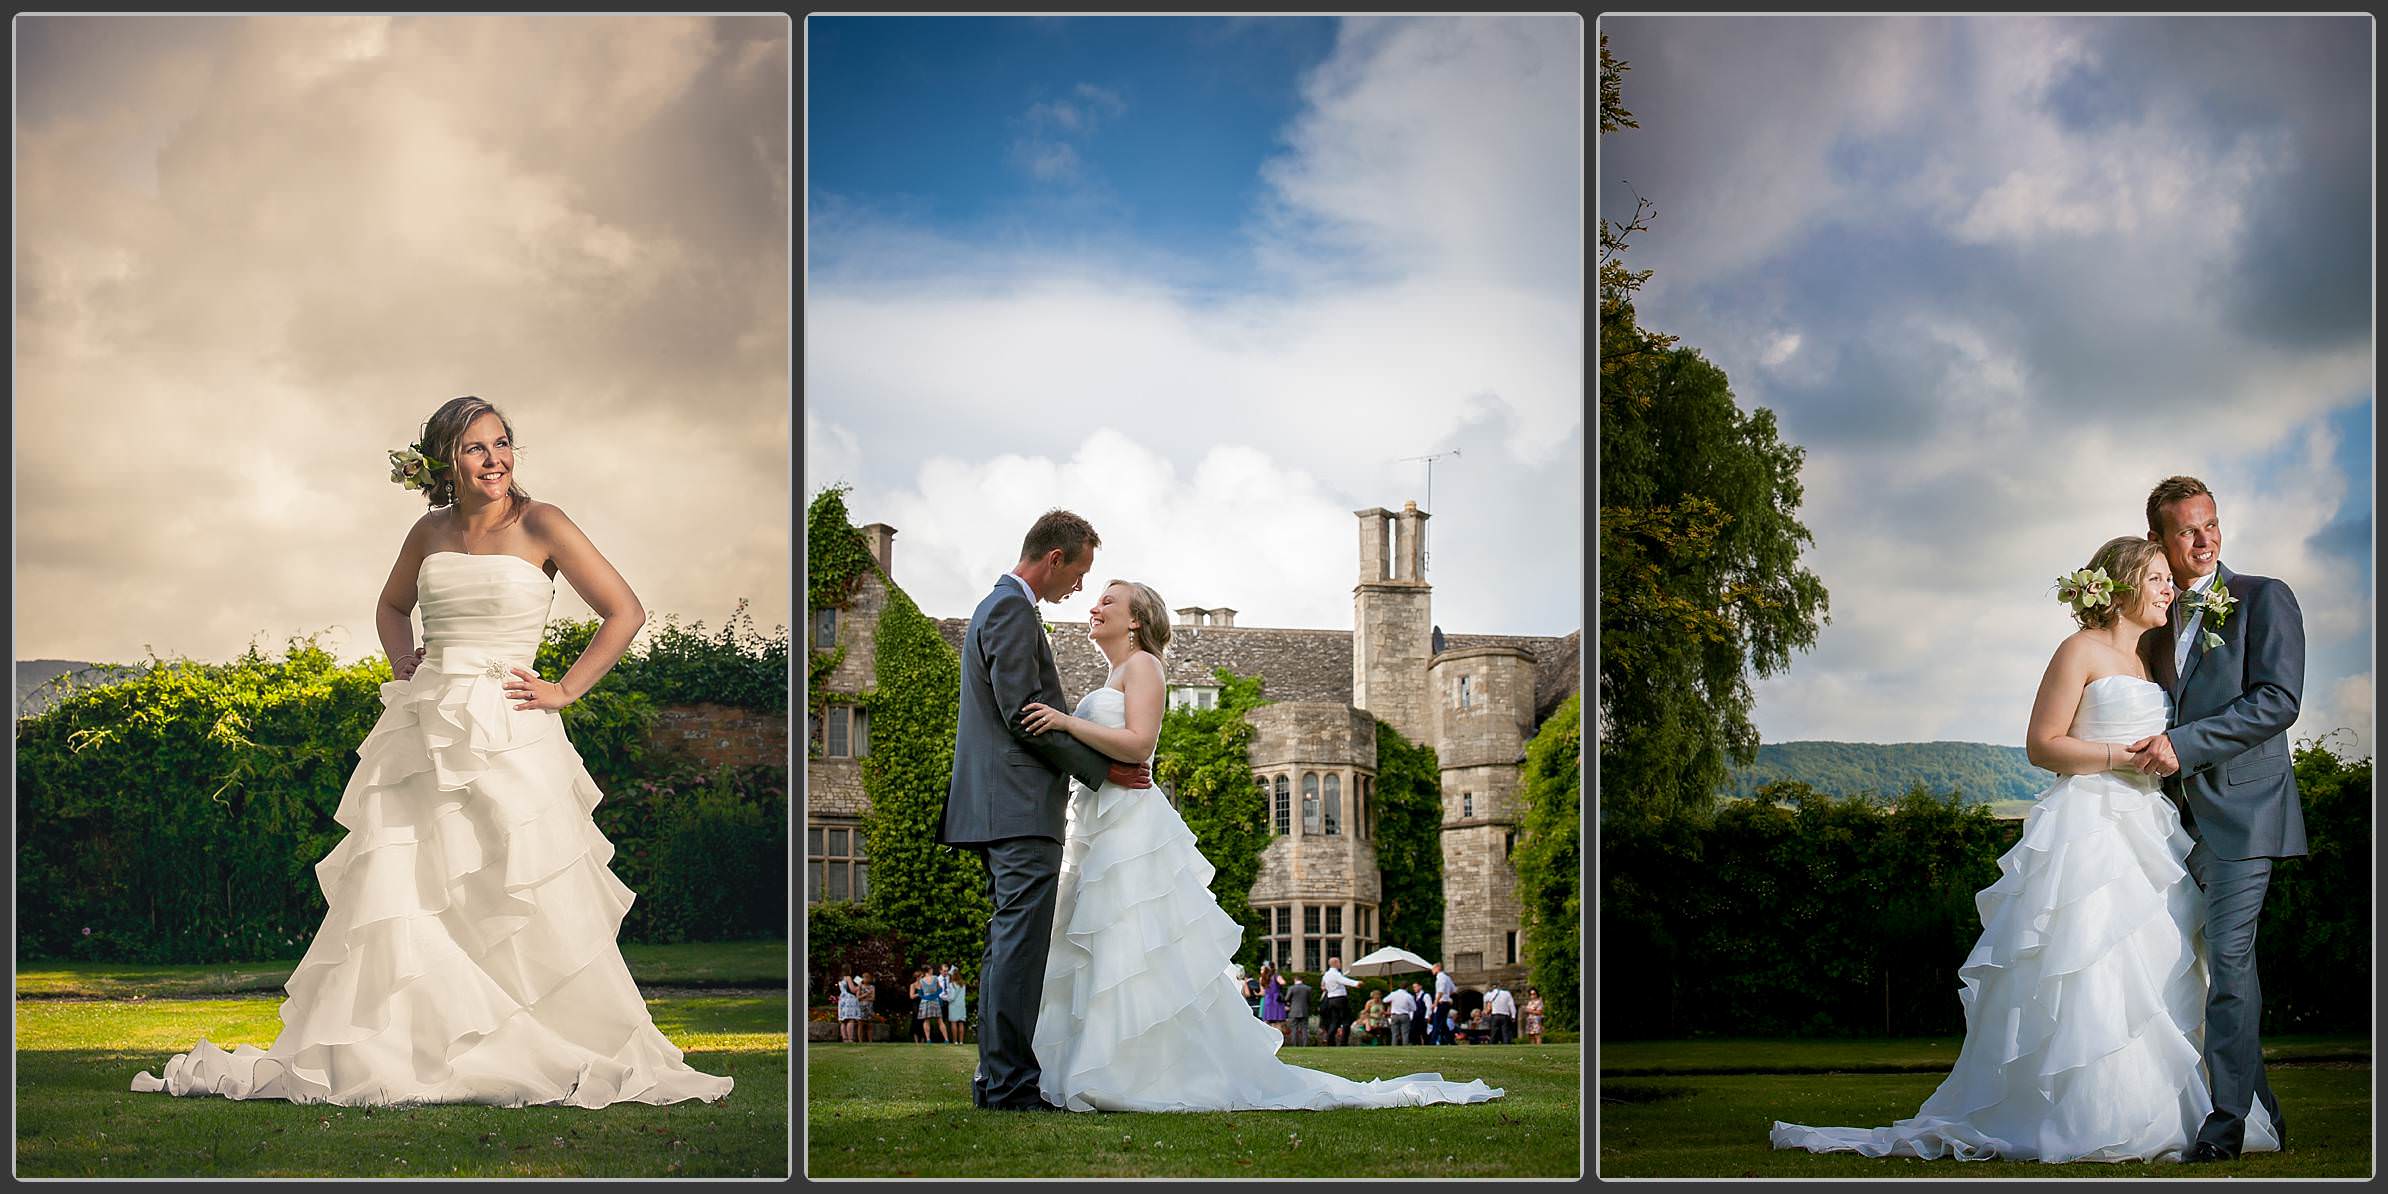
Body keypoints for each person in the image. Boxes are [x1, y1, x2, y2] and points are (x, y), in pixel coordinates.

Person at [131, 396, 733, 1108]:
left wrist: (566, 688)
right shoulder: (427, 533)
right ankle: (409, 1044)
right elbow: (391, 606)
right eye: (478, 448)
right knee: (410, 890)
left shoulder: (543, 523)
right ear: (446, 460)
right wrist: (400, 661)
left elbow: (624, 610)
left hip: (511, 731)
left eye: (504, 444)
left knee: (514, 889)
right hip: (425, 733)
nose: (496, 459)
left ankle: (540, 1031)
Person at [1772, 534, 2282, 1163]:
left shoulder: (2154, 662)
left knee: (2154, 967)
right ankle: (2081, 1111)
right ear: (2121, 587)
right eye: (2155, 579)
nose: (2168, 589)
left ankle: (2157, 1107)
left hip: (2151, 827)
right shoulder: (2079, 651)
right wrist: (2124, 758)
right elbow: (2043, 745)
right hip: (2091, 825)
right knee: (2089, 960)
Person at [1019, 579, 1503, 1112]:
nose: (1095, 607)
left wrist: (1064, 722)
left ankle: (1134, 1072)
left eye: (1108, 601)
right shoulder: (1114, 673)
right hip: (1099, 822)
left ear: (1136, 620)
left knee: (1132, 941)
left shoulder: (1145, 667)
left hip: (1129, 829)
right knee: (1102, 942)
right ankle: (1098, 1064)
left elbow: (1140, 745)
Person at [936, 510, 1153, 1112]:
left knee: (1010, 943)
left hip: (1005, 807)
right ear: (1054, 559)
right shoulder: (1008, 608)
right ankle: (1007, 1085)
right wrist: (1103, 769)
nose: (1080, 590)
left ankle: (995, 1080)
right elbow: (1022, 713)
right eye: (1080, 573)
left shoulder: (1001, 607)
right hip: (1017, 808)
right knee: (1018, 945)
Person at [2126, 476, 2305, 1163]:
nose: (2204, 541)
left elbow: (2278, 700)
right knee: (2193, 970)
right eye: (2186, 531)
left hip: (2245, 812)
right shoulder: (2156, 617)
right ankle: (2263, 1116)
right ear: (2158, 541)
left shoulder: (2264, 597)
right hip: (2169, 823)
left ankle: (2226, 1126)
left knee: (2229, 962)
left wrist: (2183, 746)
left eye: (2211, 526)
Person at [1320, 956, 1360, 1046]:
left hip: (1331, 999)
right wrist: (1356, 983)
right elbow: (1343, 980)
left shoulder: (1326, 975)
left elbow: (1323, 986)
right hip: (1340, 998)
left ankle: (1330, 1041)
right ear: (1336, 963)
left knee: (1335, 1020)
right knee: (1346, 1020)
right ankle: (1344, 1042)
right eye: (1339, 962)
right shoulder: (1336, 974)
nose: (1340, 964)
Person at [1258, 961, 1287, 1040]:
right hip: (1276, 1000)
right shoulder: (1275, 976)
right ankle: (1278, 1039)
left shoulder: (1262, 978)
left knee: (1267, 1021)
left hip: (1267, 1000)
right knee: (1277, 1022)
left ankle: (1268, 1039)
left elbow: (1263, 991)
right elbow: (1283, 982)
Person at [1285, 974, 1314, 1047]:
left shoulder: (1291, 988)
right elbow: (1310, 1001)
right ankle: (1305, 1045)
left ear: (1295, 980)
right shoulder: (1308, 988)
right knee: (1304, 1029)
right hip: (1304, 1010)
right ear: (1302, 980)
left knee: (1294, 1029)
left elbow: (1286, 999)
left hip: (1294, 1011)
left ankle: (1294, 1045)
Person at [943, 966, 969, 1044]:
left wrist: (944, 998)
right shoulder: (963, 984)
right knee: (961, 1022)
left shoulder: (952, 984)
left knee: (954, 1022)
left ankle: (955, 1041)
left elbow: (951, 998)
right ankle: (961, 1041)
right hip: (961, 1005)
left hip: (954, 1005)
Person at [838, 975, 867, 1044]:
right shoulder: (848, 977)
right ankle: (850, 1039)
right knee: (850, 1019)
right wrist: (859, 985)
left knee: (843, 1021)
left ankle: (845, 1039)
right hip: (849, 999)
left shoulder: (840, 978)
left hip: (842, 999)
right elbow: (852, 989)